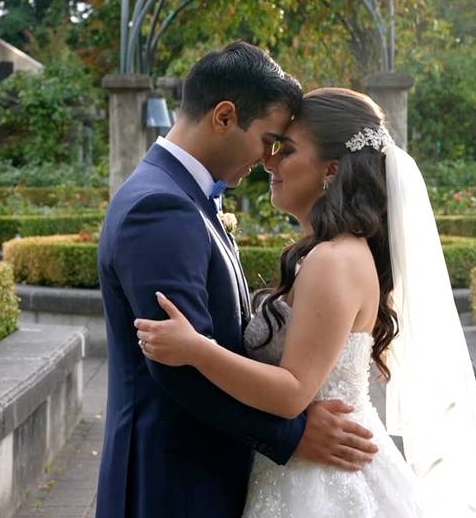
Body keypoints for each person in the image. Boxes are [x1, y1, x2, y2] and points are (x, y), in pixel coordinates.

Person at [136, 87, 476, 517]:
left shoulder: (333, 260)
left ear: (331, 169)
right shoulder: (335, 252)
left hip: (323, 483)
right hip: (308, 468)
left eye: (287, 150)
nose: (269, 162)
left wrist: (196, 349)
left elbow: (293, 393)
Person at [95, 45, 379, 518]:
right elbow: (175, 366)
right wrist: (291, 435)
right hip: (171, 484)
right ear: (224, 117)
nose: (269, 159)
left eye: (283, 148)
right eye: (270, 140)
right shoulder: (160, 207)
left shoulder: (185, 197)